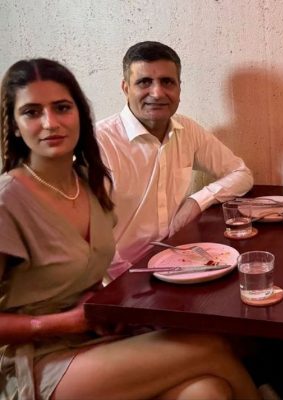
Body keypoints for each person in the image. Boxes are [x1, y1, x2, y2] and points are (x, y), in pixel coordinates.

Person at [0, 58, 260, 400]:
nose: (50, 123)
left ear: (79, 113)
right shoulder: (9, 201)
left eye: (62, 107)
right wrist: (66, 322)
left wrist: (100, 308)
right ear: (15, 125)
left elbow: (84, 276)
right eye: (32, 112)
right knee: (209, 345)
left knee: (207, 391)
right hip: (35, 359)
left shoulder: (89, 183)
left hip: (95, 337)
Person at [96, 41, 254, 279]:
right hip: (124, 277)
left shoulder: (187, 129)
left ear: (179, 88)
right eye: (144, 82)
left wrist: (196, 201)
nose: (157, 93)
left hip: (177, 262)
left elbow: (242, 175)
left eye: (167, 82)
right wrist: (126, 281)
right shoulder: (99, 142)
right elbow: (92, 235)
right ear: (125, 87)